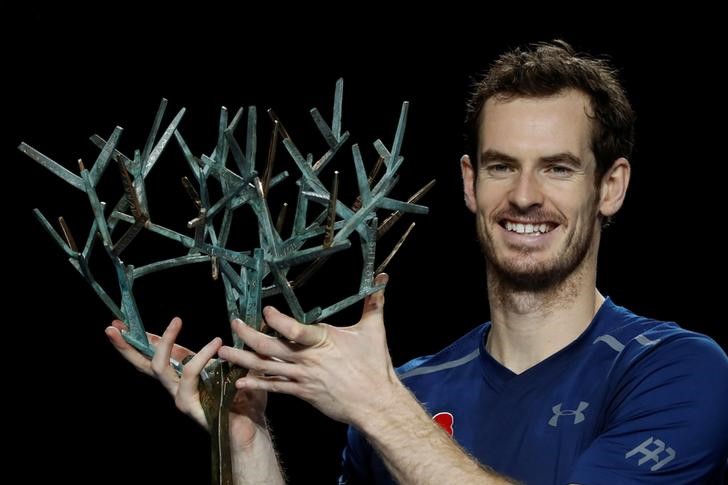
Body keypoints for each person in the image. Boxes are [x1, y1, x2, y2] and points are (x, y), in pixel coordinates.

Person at [106, 40, 728, 484]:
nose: (525, 196)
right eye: (501, 165)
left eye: (558, 168)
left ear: (611, 187)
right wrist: (243, 440)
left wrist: (377, 404)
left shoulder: (674, 372)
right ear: (468, 182)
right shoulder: (416, 388)